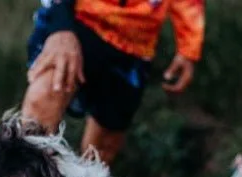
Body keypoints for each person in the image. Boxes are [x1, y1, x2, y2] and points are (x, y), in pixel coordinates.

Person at [21, 0, 205, 165]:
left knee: (103, 146)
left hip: (135, 40)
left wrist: (188, 49)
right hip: (79, 17)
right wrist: (60, 24)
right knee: (45, 96)